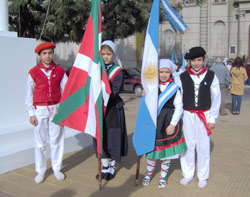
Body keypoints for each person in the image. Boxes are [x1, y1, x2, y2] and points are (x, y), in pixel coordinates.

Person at [25, 42, 68, 183]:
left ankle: (56, 168)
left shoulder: (60, 72)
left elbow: (65, 91)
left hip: (56, 108)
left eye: (49, 53)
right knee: (41, 142)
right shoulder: (33, 72)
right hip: (40, 109)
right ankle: (41, 170)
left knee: (56, 140)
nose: (47, 56)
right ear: (39, 56)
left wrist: (61, 107)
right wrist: (31, 113)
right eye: (44, 53)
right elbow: (29, 94)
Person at [179, 46, 221, 188]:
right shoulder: (182, 76)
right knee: (187, 146)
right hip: (188, 114)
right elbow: (177, 97)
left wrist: (212, 118)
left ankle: (203, 175)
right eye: (193, 60)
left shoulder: (211, 75)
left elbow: (216, 98)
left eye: (199, 60)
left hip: (204, 114)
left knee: (203, 146)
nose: (196, 63)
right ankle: (188, 173)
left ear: (203, 60)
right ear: (189, 61)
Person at [142, 59, 187, 188]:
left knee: (166, 153)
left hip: (167, 122)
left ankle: (163, 176)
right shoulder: (152, 86)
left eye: (167, 72)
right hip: (154, 123)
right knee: (151, 151)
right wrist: (144, 95)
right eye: (161, 72)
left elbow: (179, 107)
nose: (164, 74)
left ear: (170, 73)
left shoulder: (175, 88)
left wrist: (173, 124)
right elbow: (146, 105)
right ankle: (149, 173)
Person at [94, 40, 128, 180]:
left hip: (112, 108)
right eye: (103, 54)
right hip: (98, 110)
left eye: (109, 54)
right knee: (100, 137)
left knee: (113, 137)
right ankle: (105, 165)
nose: (106, 57)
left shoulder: (118, 72)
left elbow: (114, 91)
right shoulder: (95, 69)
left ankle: (112, 165)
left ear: (113, 55)